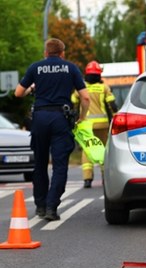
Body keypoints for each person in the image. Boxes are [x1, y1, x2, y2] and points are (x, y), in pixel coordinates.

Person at [14, 38, 90, 221]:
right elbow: (85, 98)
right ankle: (51, 207)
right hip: (60, 119)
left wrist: (33, 89)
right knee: (59, 165)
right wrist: (81, 117)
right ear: (62, 53)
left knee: (40, 164)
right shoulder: (70, 68)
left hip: (40, 118)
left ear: (45, 53)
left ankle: (40, 206)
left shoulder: (35, 68)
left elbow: (18, 93)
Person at [72, 60, 117, 188]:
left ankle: (87, 178)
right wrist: (116, 119)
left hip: (86, 125)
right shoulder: (104, 88)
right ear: (99, 75)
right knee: (103, 149)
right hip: (103, 125)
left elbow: (72, 102)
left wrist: (76, 118)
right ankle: (104, 177)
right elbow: (112, 105)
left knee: (87, 150)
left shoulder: (81, 88)